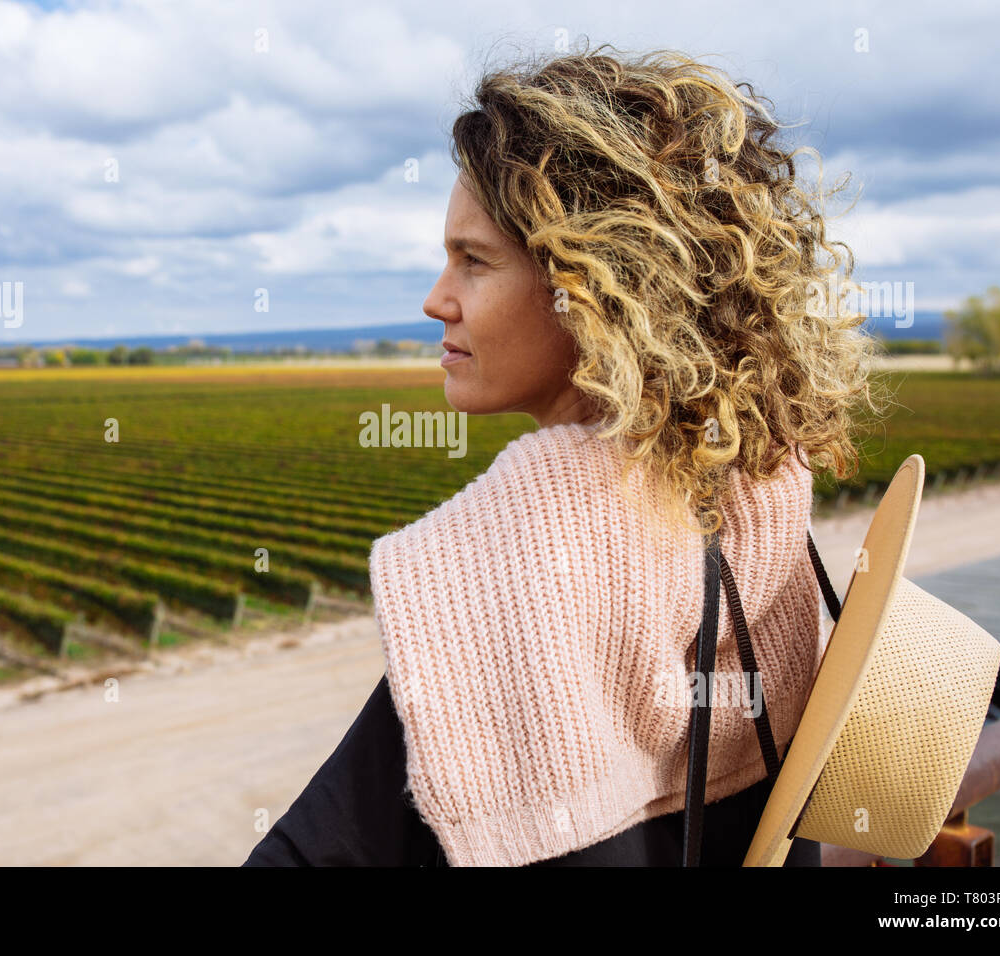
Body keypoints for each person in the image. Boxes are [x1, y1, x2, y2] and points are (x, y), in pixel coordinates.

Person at [244, 42, 887, 867]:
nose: (436, 299)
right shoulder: (762, 489)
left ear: (591, 291)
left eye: (473, 261)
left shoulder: (510, 547)